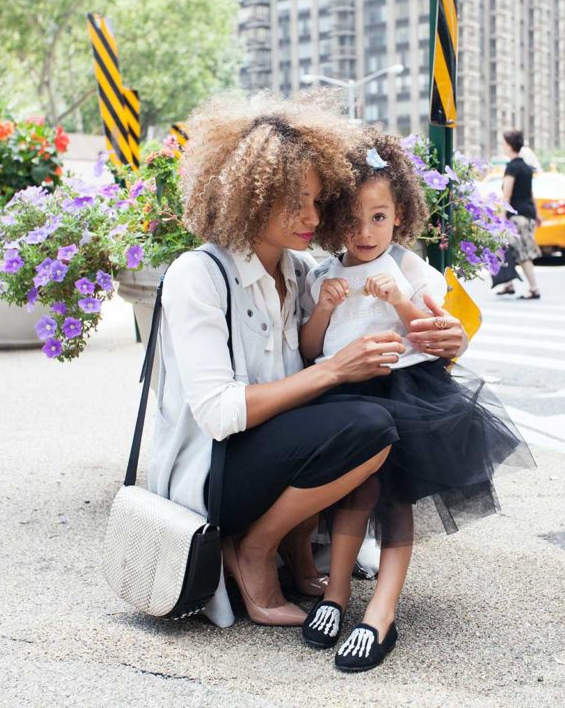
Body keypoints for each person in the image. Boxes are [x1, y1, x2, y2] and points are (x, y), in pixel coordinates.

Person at [147, 94, 469, 631]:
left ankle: (298, 551)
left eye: (319, 202)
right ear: (251, 198)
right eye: (297, 201)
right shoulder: (197, 275)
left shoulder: (302, 274)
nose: (313, 218)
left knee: (371, 422)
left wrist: (449, 339)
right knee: (367, 424)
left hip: (274, 457)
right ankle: (253, 548)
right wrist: (335, 369)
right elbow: (219, 413)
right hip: (214, 471)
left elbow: (390, 321)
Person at [298, 130, 534, 672]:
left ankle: (381, 609)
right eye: (353, 219)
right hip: (343, 393)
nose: (365, 231)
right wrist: (323, 312)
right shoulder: (324, 274)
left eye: (378, 218)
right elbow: (312, 349)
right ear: (336, 219)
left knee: (394, 498)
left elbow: (434, 333)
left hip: (406, 394)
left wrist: (400, 300)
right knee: (351, 495)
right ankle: (335, 595)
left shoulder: (411, 269)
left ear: (399, 215)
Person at [496, 130, 542, 299]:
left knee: (522, 253)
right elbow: (530, 193)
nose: (502, 146)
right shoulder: (526, 168)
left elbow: (506, 196)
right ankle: (508, 284)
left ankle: (534, 288)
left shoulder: (512, 167)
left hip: (516, 217)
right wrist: (536, 215)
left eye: (503, 143)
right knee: (506, 248)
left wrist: (501, 218)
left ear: (509, 145)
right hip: (528, 214)